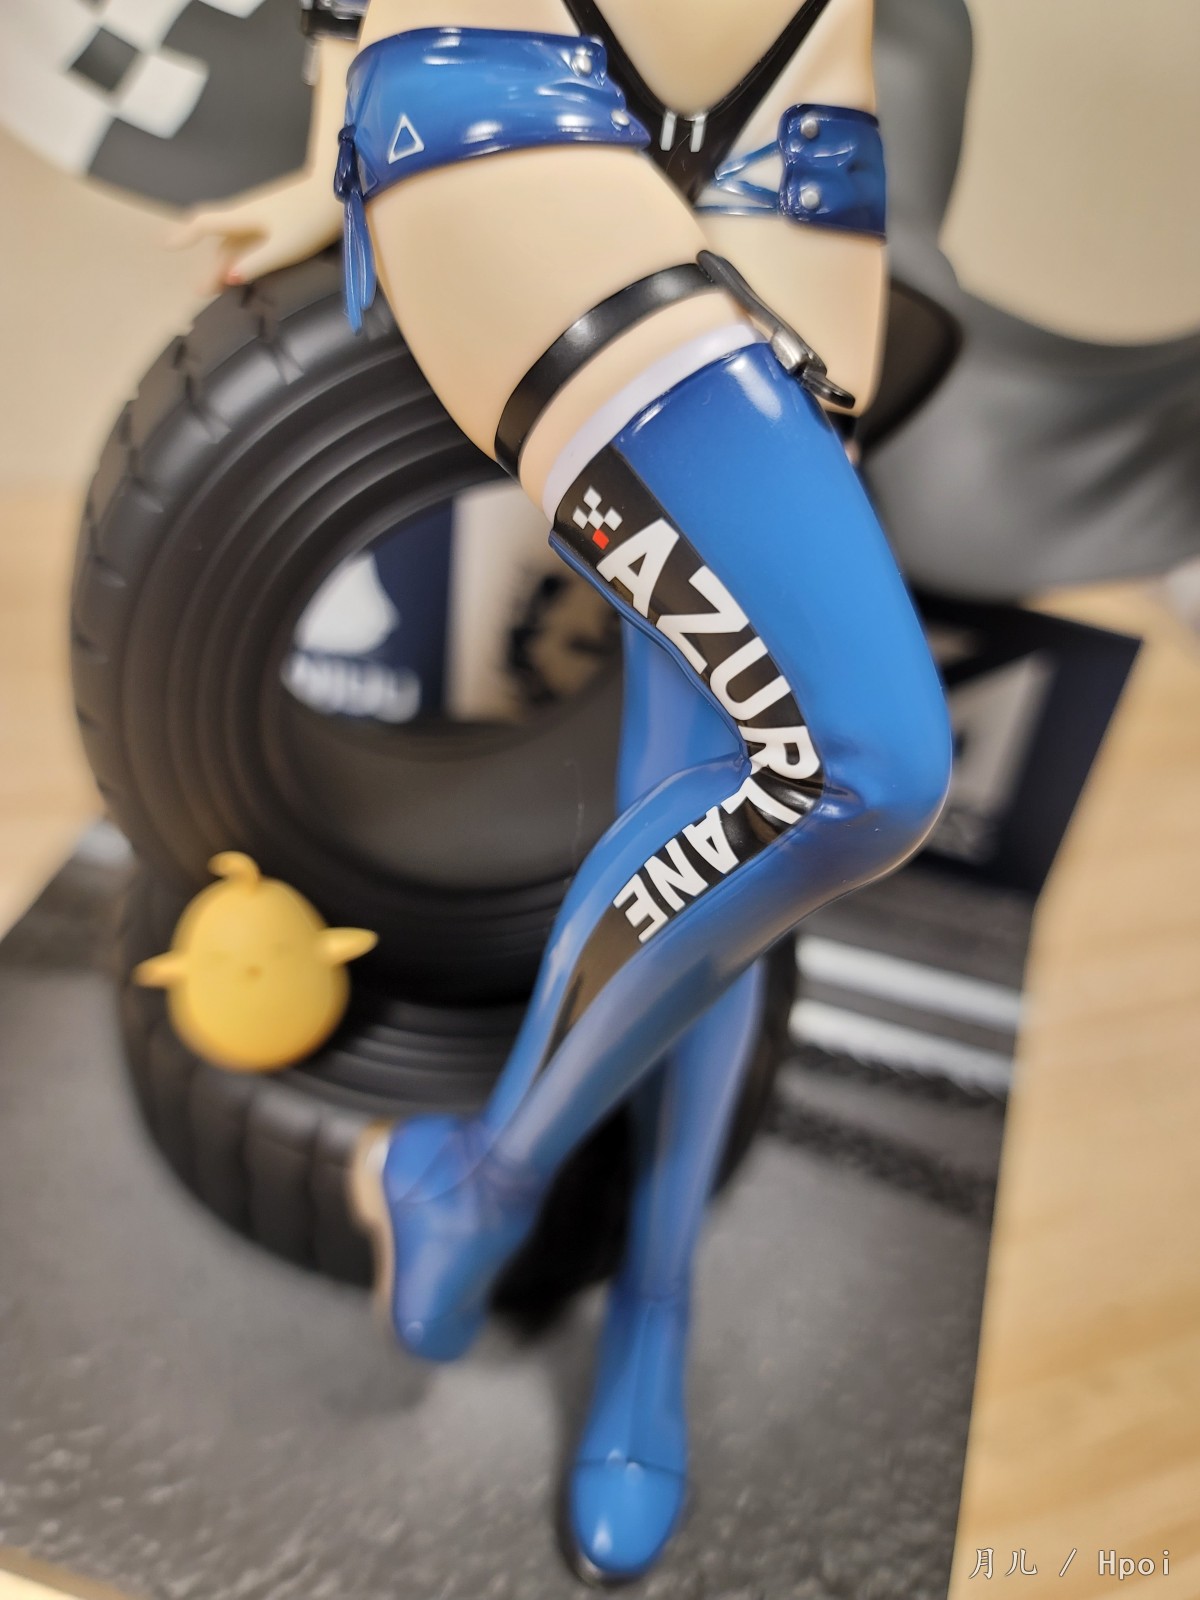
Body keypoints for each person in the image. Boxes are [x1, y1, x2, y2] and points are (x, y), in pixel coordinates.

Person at [216, 0, 953, 1580]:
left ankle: (645, 1299)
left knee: (739, 778)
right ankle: (485, 1182)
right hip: (512, 48)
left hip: (802, 112)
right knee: (864, 770)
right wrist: (326, 118)